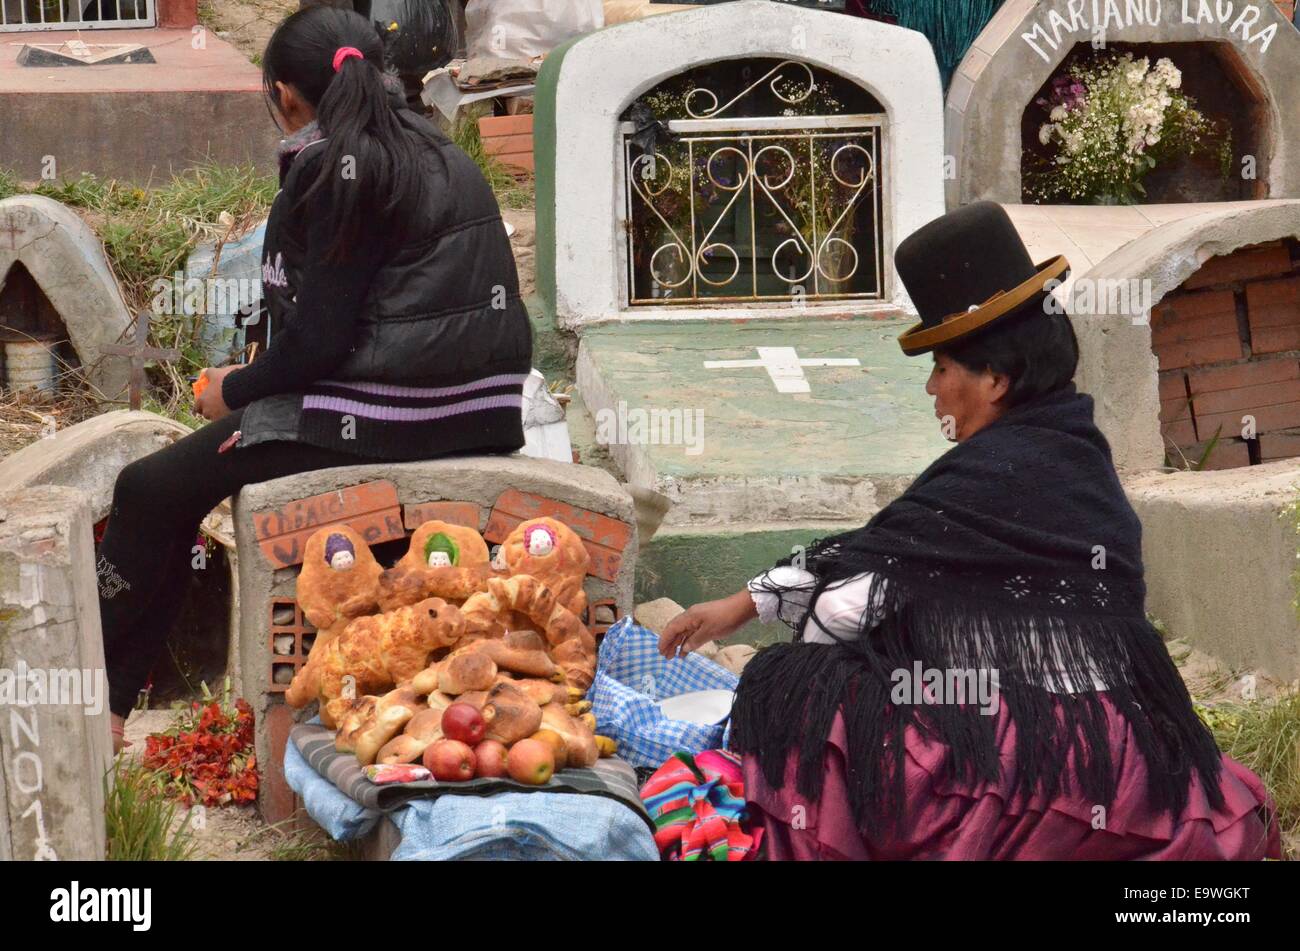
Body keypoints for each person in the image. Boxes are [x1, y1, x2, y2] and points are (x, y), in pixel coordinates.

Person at [659, 202, 1280, 860]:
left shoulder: (996, 470)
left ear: (993, 378)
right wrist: (745, 603)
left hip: (1039, 753)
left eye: (942, 367)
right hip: (1128, 750)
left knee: (801, 685)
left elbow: (847, 604)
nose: (931, 388)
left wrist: (776, 640)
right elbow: (889, 553)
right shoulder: (1072, 446)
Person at [98, 5, 531, 752]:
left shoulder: (342, 172)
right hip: (484, 409)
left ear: (286, 96)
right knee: (171, 488)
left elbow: (321, 346)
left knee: (147, 491)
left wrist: (230, 390)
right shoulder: (436, 148)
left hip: (389, 412)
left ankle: (94, 710)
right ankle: (110, 708)